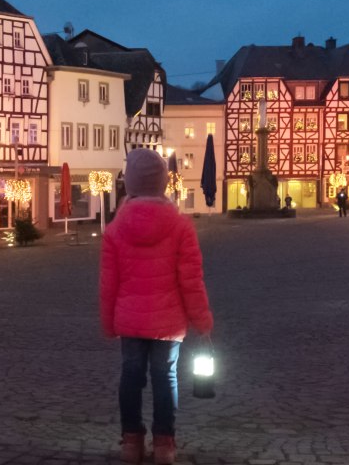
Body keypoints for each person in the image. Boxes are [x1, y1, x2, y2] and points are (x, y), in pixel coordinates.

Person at [102, 148, 214, 465]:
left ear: (131, 183)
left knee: (131, 376)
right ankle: (164, 443)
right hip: (169, 321)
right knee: (165, 379)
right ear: (163, 183)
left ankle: (131, 441)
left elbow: (108, 283)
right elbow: (192, 280)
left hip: (129, 320)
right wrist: (202, 320)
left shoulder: (114, 229)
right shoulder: (181, 227)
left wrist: (109, 322)